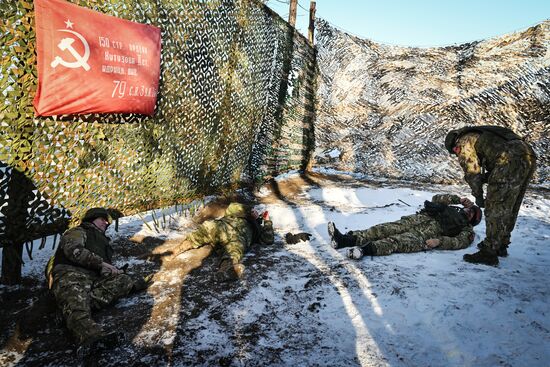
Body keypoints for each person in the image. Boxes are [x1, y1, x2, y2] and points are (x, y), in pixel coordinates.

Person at [47, 208, 152, 356]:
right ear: (91, 219)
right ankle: (91, 337)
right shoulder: (79, 231)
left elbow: (102, 269)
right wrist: (101, 264)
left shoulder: (103, 243)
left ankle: (67, 309)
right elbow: (73, 250)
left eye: (107, 221)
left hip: (93, 280)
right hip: (71, 273)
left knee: (124, 280)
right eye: (102, 219)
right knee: (76, 295)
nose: (106, 223)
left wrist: (117, 273)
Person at [445, 125, 537, 266]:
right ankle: (501, 244)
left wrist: (479, 196)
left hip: (508, 158)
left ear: (454, 144)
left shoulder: (464, 141)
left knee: (495, 206)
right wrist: (487, 177)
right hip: (528, 155)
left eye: (455, 152)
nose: (458, 154)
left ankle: (489, 252)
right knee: (510, 205)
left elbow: (472, 172)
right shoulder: (480, 134)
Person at [328, 194, 482, 259]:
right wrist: (458, 199)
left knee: (396, 242)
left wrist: (439, 242)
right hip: (415, 220)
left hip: (424, 236)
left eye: (471, 213)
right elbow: (436, 198)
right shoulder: (452, 207)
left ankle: (363, 250)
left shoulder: (467, 230)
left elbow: (459, 243)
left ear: (473, 220)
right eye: (469, 209)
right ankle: (344, 240)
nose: (468, 212)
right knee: (382, 229)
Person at [165, 202, 274, 281]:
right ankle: (177, 250)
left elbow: (268, 240)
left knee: (235, 251)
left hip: (238, 239)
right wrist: (249, 209)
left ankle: (225, 271)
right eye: (258, 215)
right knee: (208, 227)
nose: (258, 216)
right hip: (224, 227)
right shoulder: (242, 214)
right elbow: (232, 207)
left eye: (260, 217)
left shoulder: (258, 229)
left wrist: (268, 222)